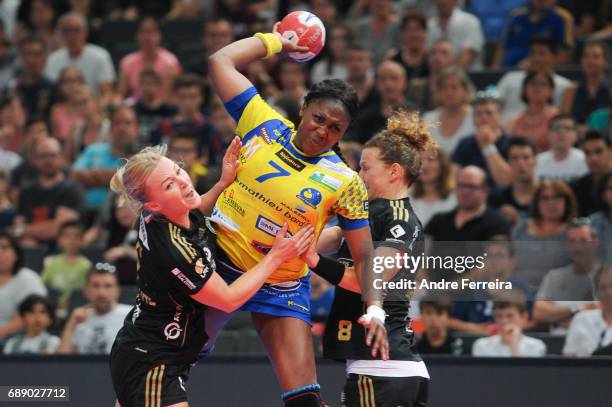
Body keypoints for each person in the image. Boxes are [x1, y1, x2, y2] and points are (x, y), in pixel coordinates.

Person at [208, 26, 377, 406]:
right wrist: (276, 43)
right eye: (319, 119)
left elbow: (364, 254)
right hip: (219, 267)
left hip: (281, 284)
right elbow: (220, 61)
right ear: (303, 108)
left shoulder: (344, 181)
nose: (323, 131)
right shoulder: (262, 124)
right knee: (168, 366)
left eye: (336, 129)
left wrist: (375, 304)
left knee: (304, 400)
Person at [107, 141, 314, 407]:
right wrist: (275, 257)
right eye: (169, 185)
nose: (182, 182)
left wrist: (222, 183)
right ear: (153, 206)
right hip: (152, 358)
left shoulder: (169, 214)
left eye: (178, 171)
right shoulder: (174, 250)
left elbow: (195, 209)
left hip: (152, 348)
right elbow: (227, 300)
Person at [317, 111, 434, 406]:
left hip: (383, 369)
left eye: (365, 168)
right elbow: (318, 242)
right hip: (385, 368)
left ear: (394, 172)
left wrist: (312, 261)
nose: (359, 176)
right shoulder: (365, 214)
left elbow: (368, 282)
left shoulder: (399, 218)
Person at [12, 137, 85, 246]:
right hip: (31, 250)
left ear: (61, 158)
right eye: (43, 156)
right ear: (34, 159)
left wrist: (24, 230)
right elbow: (18, 225)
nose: (48, 160)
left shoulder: (73, 190)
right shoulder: (26, 191)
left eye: (52, 155)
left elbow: (57, 230)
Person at [533, 218, 600, 330]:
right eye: (572, 241)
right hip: (557, 342)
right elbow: (539, 312)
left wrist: (559, 314)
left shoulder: (608, 276)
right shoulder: (554, 277)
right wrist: (578, 309)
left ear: (595, 242)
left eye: (583, 240)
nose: (578, 247)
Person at [512, 179, 575, 291]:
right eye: (545, 198)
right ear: (536, 203)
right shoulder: (520, 229)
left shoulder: (575, 232)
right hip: (518, 294)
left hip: (558, 295)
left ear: (567, 201)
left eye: (557, 197)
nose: (551, 203)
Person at [57, 264, 132, 354]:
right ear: (86, 291)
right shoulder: (78, 319)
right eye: (96, 286)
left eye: (108, 286)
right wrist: (71, 324)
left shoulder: (131, 316)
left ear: (118, 290)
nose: (101, 293)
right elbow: (61, 362)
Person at [43, 12, 115, 102]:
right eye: (66, 31)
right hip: (62, 108)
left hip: (92, 107)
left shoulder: (100, 56)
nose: (71, 36)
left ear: (86, 32)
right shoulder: (53, 59)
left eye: (76, 30)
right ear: (60, 34)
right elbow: (49, 93)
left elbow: (107, 93)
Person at [496, 37, 571, 120]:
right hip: (506, 128)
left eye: (542, 53)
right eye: (532, 53)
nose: (536, 58)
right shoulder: (510, 78)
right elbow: (494, 105)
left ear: (554, 57)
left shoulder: (565, 85)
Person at [452, 95, 512, 187]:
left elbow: (505, 181)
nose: (483, 117)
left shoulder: (511, 143)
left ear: (499, 116)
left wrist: (488, 146)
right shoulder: (465, 143)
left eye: (489, 113)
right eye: (478, 113)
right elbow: (452, 179)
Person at [116, 17, 182, 101]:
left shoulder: (171, 62)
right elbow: (120, 94)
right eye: (144, 32)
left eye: (152, 32)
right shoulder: (127, 61)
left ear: (160, 36)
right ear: (137, 36)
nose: (148, 37)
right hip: (136, 108)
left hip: (164, 109)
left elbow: (169, 96)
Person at [494, 0, 574, 68]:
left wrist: (535, 64)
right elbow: (502, 48)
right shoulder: (516, 16)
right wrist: (495, 73)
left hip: (541, 73)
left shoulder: (563, 18)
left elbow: (565, 55)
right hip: (508, 72)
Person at [0, 232, 47, 340]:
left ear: (16, 253)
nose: (0, 252)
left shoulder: (28, 279)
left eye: (4, 247)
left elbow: (30, 318)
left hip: (15, 342)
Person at [423, 67, 476, 155]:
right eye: (444, 88)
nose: (449, 93)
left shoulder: (476, 117)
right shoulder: (428, 118)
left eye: (454, 87)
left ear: (465, 90)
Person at [41, 220, 91, 315]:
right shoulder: (51, 263)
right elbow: (42, 286)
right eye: (67, 236)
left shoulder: (87, 265)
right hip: (53, 309)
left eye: (76, 236)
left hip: (77, 310)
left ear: (82, 240)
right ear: (59, 240)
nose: (72, 240)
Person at [472, 294, 547, 357]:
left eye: (510, 316)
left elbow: (526, 373)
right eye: (499, 316)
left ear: (524, 317)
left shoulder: (536, 346)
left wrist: (514, 345)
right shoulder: (482, 345)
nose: (504, 321)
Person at [563, 265, 612, 357]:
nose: (609, 292)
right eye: (603, 288)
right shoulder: (581, 319)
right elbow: (568, 357)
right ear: (596, 292)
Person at [506, 70, 559, 152]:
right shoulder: (514, 120)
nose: (537, 88)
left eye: (543, 84)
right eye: (533, 84)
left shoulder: (557, 117)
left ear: (551, 91)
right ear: (524, 89)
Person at [489, 137, 538, 224]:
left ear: (535, 160)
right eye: (515, 158)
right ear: (508, 162)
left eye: (526, 157)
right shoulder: (496, 198)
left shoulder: (547, 197)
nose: (521, 163)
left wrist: (519, 222)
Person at [560, 40, 611, 124]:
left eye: (596, 56)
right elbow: (564, 121)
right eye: (586, 56)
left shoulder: (610, 89)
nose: (590, 60)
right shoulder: (571, 90)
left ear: (605, 61)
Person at [427, 0, 485, 70]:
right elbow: (428, 54)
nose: (442, 2)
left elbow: (468, 56)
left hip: (468, 75)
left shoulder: (470, 21)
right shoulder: (429, 24)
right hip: (437, 76)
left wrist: (450, 75)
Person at [409, 145, 457, 227]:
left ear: (443, 165)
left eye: (431, 159)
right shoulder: (406, 198)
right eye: (420, 160)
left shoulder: (455, 199)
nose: (424, 165)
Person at [534, 114, 588, 182]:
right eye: (556, 128)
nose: (561, 132)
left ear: (576, 135)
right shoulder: (537, 161)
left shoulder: (584, 160)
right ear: (548, 134)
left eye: (567, 128)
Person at [573, 130, 612, 217]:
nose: (593, 158)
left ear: (610, 151)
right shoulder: (578, 186)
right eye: (587, 153)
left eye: (598, 151)